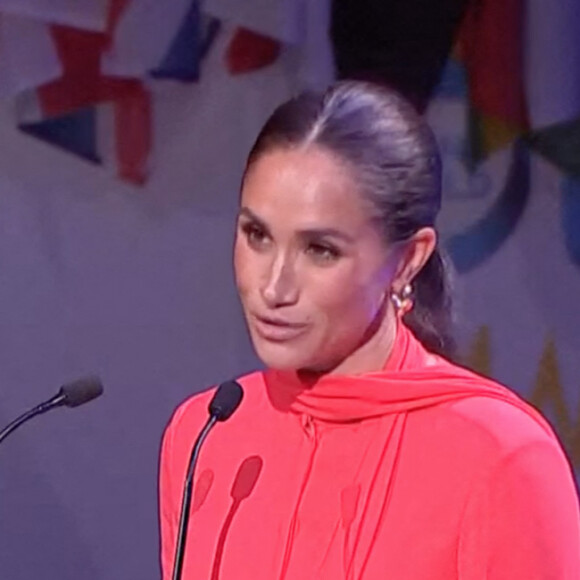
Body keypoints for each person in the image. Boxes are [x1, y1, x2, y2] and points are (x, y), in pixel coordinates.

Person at [159, 81, 580, 579]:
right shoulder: (207, 433)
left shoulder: (501, 455)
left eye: (320, 250)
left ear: (406, 260)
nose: (273, 286)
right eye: (257, 236)